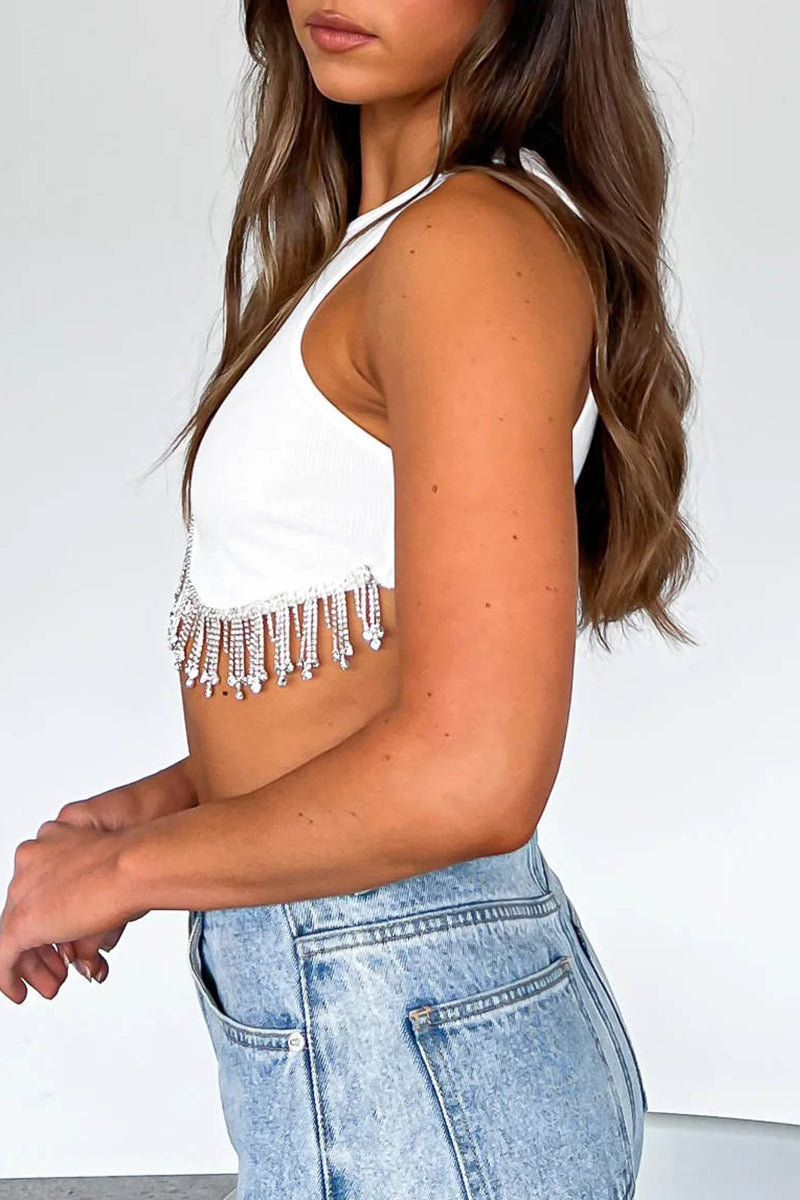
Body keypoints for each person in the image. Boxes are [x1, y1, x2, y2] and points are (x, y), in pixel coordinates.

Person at [0, 1, 698, 1196]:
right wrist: (156, 813)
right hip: (393, 1023)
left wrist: (123, 875)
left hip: (405, 1033)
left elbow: (474, 773)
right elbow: (371, 692)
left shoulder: (466, 243)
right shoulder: (389, 241)